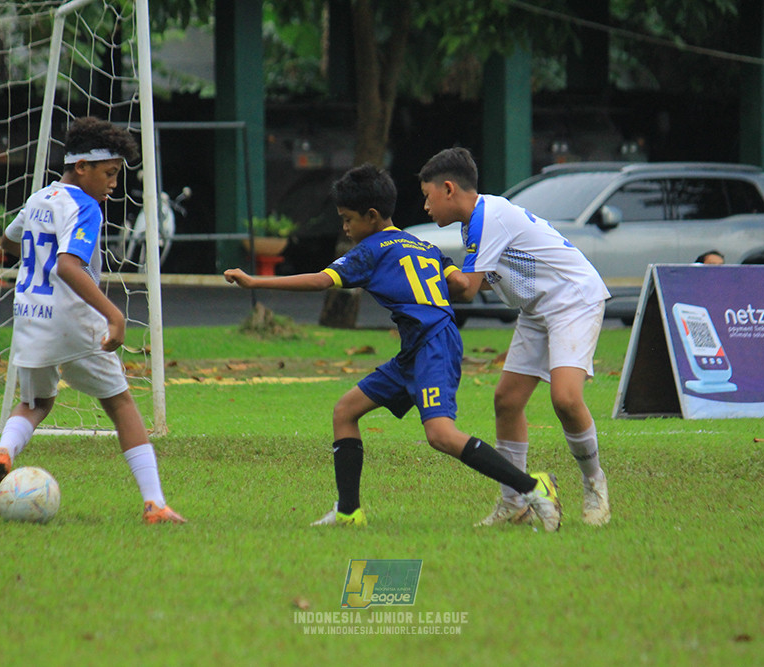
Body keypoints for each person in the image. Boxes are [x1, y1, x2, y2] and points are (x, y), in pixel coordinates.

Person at [224, 163, 562, 531]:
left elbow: (322, 281)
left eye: (348, 219)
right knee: (345, 411)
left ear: (371, 216)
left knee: (440, 435)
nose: (345, 228)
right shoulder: (422, 245)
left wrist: (255, 281)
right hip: (420, 345)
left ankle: (534, 487)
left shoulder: (369, 251)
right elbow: (460, 284)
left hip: (432, 343)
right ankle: (348, 512)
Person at [0, 117, 185, 524]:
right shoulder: (86, 207)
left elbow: (8, 240)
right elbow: (69, 266)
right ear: (81, 167)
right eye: (109, 174)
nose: (113, 184)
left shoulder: (41, 197)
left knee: (35, 403)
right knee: (121, 403)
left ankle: (4, 452)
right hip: (75, 319)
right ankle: (154, 503)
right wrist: (114, 314)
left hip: (30, 317)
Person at [418, 147, 612, 527]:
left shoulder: (489, 218)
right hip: (539, 308)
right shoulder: (475, 221)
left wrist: (418, 279)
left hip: (573, 298)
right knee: (507, 401)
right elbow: (488, 281)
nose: (425, 207)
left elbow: (468, 289)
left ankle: (595, 485)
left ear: (448, 189)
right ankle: (515, 502)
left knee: (566, 399)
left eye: (427, 197)